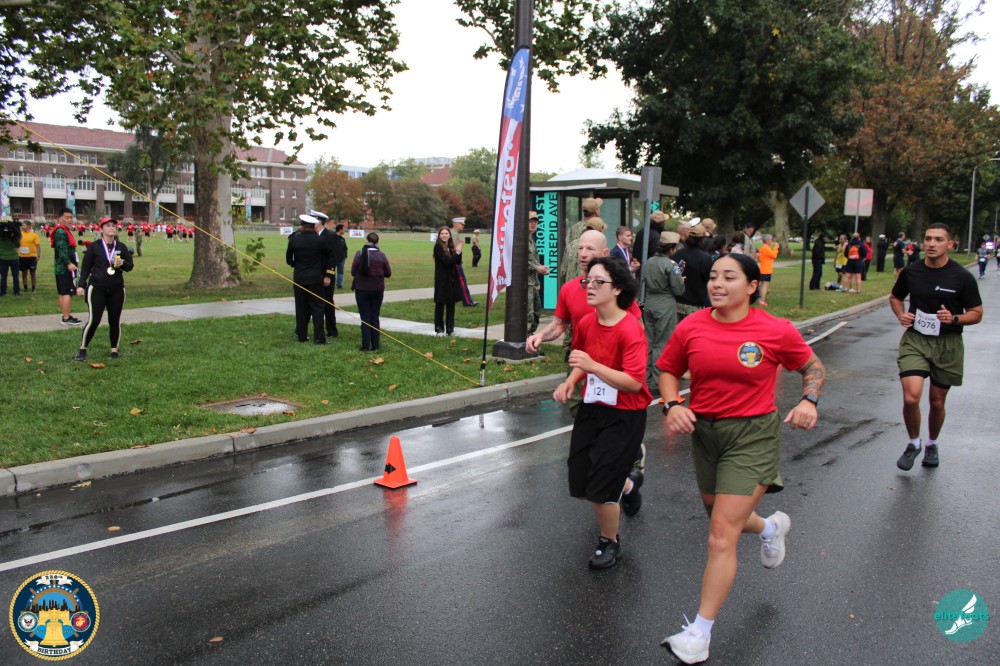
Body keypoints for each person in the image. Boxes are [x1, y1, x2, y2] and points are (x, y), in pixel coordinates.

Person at [656, 252, 826, 664]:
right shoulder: (691, 326)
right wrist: (672, 405)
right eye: (713, 276)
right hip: (706, 434)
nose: (717, 283)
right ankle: (770, 527)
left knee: (721, 534)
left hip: (753, 436)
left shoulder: (774, 330)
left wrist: (809, 400)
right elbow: (668, 371)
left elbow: (813, 366)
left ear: (751, 286)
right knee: (719, 514)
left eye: (729, 277)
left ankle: (699, 634)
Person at [552, 256, 652, 569]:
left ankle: (609, 542)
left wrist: (593, 366)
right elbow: (583, 359)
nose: (590, 287)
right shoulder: (586, 323)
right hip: (593, 408)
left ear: (617, 288)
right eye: (588, 281)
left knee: (600, 489)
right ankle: (628, 485)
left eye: (599, 282)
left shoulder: (630, 330)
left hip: (625, 415)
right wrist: (570, 382)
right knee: (581, 481)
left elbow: (634, 383)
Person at [890, 223, 983, 471]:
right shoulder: (912, 272)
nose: (932, 244)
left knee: (937, 402)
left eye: (939, 239)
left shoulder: (962, 277)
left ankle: (932, 443)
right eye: (928, 238)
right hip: (916, 340)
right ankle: (913, 443)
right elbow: (895, 297)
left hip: (947, 344)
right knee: (911, 397)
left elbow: (976, 313)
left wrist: (954, 318)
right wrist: (901, 315)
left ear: (950, 244)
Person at [74, 217, 134, 361]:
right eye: (108, 225)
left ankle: (114, 350)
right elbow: (86, 268)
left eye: (113, 225)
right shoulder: (94, 247)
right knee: (94, 320)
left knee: (114, 320)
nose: (112, 228)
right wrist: (81, 285)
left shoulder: (121, 247)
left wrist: (122, 263)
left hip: (117, 289)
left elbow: (130, 266)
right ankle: (82, 349)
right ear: (101, 229)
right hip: (97, 288)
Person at [642, 232, 685, 394]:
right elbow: (678, 290)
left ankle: (645, 378)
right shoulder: (671, 265)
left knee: (649, 342)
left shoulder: (649, 261)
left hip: (650, 302)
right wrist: (680, 280)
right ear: (671, 248)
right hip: (665, 304)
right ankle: (656, 382)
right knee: (662, 342)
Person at [286, 214, 332, 345]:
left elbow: (289, 259)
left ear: (302, 226)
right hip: (316, 278)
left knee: (301, 308)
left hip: (299, 278)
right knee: (318, 308)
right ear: (313, 226)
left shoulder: (294, 240)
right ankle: (319, 338)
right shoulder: (320, 240)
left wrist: (297, 265)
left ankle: (302, 336)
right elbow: (330, 256)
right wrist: (326, 273)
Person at [351, 232, 391, 352]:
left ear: (366, 240)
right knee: (375, 317)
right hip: (377, 290)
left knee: (365, 317)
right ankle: (375, 344)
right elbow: (388, 273)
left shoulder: (359, 254)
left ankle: (365, 345)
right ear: (378, 242)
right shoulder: (381, 255)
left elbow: (353, 271)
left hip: (362, 289)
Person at [673, 220, 713, 322]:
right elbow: (709, 280)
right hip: (696, 306)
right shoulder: (705, 258)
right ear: (702, 240)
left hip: (677, 304)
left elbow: (674, 274)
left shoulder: (678, 254)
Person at [561, 197, 604, 282]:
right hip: (586, 279)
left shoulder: (574, 228)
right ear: (596, 211)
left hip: (571, 279)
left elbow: (564, 267)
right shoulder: (596, 228)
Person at [51, 208, 82, 326]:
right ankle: (66, 318)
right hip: (64, 268)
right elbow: (62, 249)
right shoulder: (61, 232)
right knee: (67, 292)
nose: (69, 220)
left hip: (61, 267)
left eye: (71, 217)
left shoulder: (63, 230)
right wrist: (68, 263)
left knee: (62, 292)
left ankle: (65, 315)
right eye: (66, 217)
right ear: (60, 218)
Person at [312, 211, 339, 338]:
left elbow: (333, 257)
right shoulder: (312, 235)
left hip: (325, 275)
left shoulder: (331, 236)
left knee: (328, 303)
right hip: (314, 274)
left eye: (314, 220)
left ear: (320, 221)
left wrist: (328, 275)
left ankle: (332, 330)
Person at [433, 226, 462, 336]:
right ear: (439, 236)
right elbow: (447, 261)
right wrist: (457, 253)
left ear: (449, 235)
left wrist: (458, 252)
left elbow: (457, 262)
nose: (444, 235)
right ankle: (439, 329)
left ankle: (450, 329)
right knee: (440, 305)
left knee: (451, 305)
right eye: (442, 233)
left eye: (446, 233)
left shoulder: (451, 246)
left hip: (452, 280)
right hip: (442, 280)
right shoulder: (438, 247)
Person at [526, 211, 549, 335]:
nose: (533, 224)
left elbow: (533, 260)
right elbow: (520, 261)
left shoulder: (531, 239)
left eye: (535, 221)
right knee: (528, 314)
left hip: (532, 282)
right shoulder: (521, 239)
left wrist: (539, 271)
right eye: (530, 221)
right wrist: (537, 268)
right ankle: (525, 339)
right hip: (524, 284)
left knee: (536, 312)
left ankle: (530, 336)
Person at [451, 217, 477, 306]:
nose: (463, 227)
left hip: (452, 261)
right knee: (462, 281)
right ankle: (467, 301)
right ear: (457, 224)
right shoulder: (454, 234)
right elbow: (454, 250)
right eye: (462, 225)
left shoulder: (453, 233)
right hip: (455, 262)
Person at [756, 234, 779, 306]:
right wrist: (776, 247)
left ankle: (760, 299)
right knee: (765, 285)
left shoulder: (763, 248)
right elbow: (774, 255)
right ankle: (762, 301)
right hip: (766, 269)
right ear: (767, 240)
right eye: (771, 239)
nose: (771, 241)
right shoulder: (766, 248)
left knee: (762, 285)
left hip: (763, 268)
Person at [19, 220, 41, 292]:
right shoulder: (20, 234)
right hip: (22, 257)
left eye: (24, 225)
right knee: (24, 273)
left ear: (28, 226)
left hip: (32, 257)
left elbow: (38, 246)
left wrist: (38, 256)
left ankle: (33, 288)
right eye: (22, 225)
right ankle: (25, 288)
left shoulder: (34, 235)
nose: (22, 227)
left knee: (33, 273)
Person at [0, 216, 20, 296]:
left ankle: (3, 292)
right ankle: (16, 291)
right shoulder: (13, 237)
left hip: (2, 258)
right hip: (14, 257)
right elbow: (18, 244)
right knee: (15, 276)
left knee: (3, 276)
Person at [333, 224, 348, 289]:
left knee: (340, 272)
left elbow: (345, 248)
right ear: (340, 230)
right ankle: (331, 284)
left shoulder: (342, 239)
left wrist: (345, 255)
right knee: (331, 272)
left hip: (341, 259)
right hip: (333, 259)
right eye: (343, 229)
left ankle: (339, 285)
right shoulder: (332, 238)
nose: (344, 230)